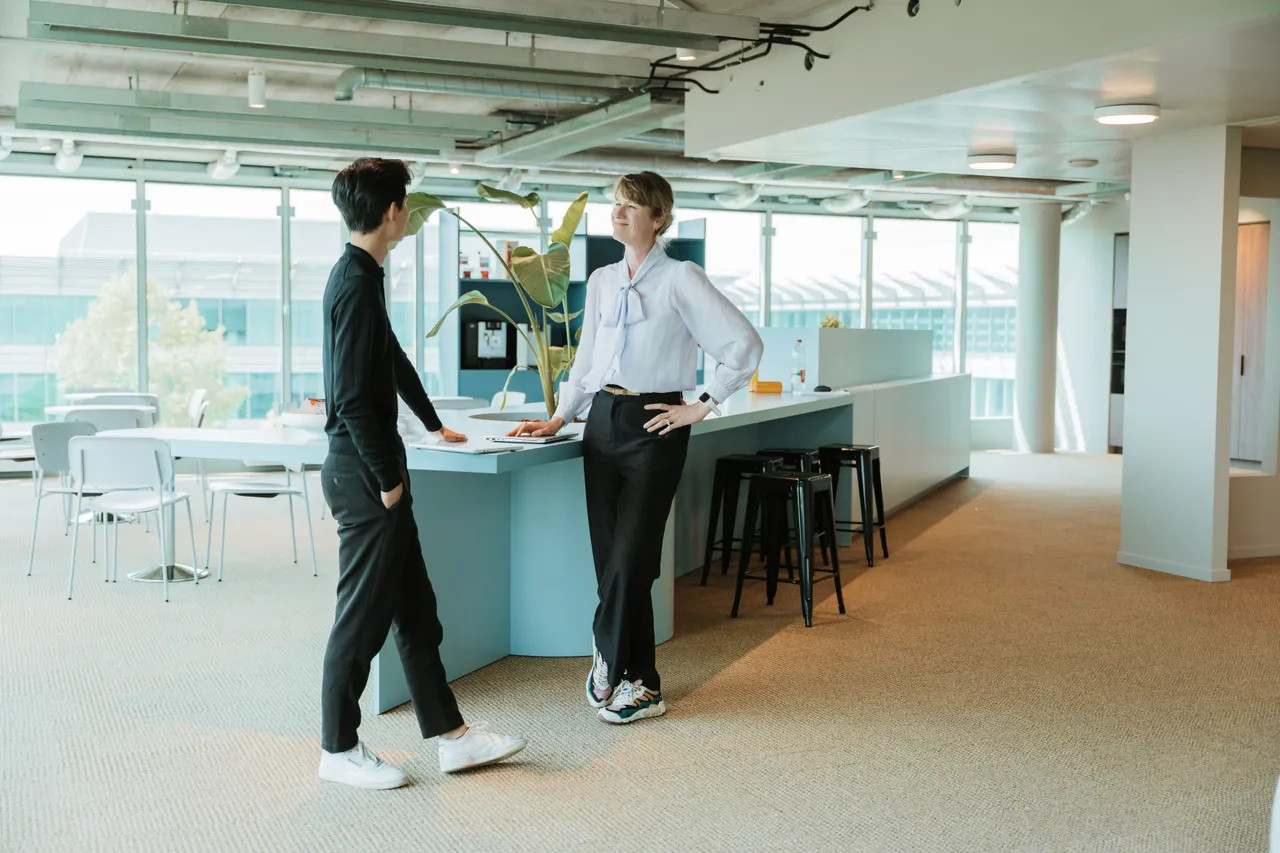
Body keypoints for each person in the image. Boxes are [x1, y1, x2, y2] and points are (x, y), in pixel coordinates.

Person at [510, 172, 764, 724]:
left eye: (631, 207)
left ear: (658, 219)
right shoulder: (602, 280)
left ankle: (606, 651)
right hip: (602, 420)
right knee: (615, 564)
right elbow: (586, 363)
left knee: (631, 558)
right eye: (615, 206)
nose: (618, 214)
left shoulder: (680, 278)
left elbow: (742, 344)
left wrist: (701, 403)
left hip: (656, 424)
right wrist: (559, 417)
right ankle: (642, 683)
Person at [318, 158, 526, 788]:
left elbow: (393, 358)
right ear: (391, 213)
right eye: (405, 205)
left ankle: (451, 737)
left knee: (416, 611)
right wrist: (388, 481)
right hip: (364, 476)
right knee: (361, 619)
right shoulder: (355, 283)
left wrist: (433, 426)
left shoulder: (361, 274)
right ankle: (337, 749)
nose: (407, 215)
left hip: (374, 470)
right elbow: (353, 398)